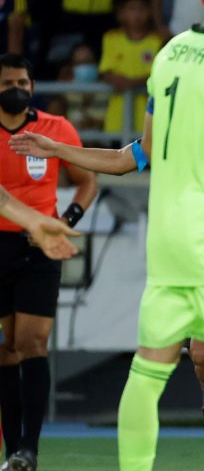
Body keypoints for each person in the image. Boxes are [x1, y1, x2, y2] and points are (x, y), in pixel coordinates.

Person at [11, 0, 204, 471]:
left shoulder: (170, 53)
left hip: (165, 242)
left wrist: (60, 150)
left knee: (148, 372)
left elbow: (134, 155)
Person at [0, 53, 97, 471]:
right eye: (6, 83)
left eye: (21, 81)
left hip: (42, 249)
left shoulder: (56, 129)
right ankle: (12, 452)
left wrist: (63, 222)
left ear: (33, 86)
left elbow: (86, 181)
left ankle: (29, 449)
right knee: (7, 350)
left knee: (32, 343)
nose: (15, 88)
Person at [100, 0, 162, 135]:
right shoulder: (111, 38)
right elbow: (106, 71)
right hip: (117, 117)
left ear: (150, 11)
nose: (137, 14)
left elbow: (159, 76)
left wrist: (132, 84)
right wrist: (122, 82)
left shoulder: (158, 42)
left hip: (147, 120)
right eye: (132, 9)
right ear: (122, 13)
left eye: (142, 9)